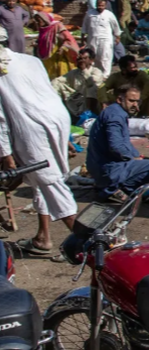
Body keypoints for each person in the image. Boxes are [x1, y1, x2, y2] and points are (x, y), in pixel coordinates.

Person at [0, 26, 78, 257]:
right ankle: (43, 237)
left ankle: (89, 244)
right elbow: (49, 93)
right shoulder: (30, 60)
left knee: (49, 182)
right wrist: (65, 136)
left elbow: (0, 120)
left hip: (31, 128)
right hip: (57, 120)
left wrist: (6, 155)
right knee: (40, 182)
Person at [86, 82, 149, 201]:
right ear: (119, 99)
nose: (135, 104)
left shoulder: (116, 112)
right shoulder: (115, 116)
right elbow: (116, 146)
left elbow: (123, 143)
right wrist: (131, 158)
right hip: (108, 169)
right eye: (131, 101)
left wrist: (138, 156)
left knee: (148, 162)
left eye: (137, 101)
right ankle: (114, 189)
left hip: (102, 167)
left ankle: (110, 186)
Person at [52, 46, 105, 120]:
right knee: (57, 84)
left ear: (91, 60)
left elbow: (91, 83)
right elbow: (59, 80)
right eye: (80, 59)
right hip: (76, 101)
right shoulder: (74, 72)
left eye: (85, 58)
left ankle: (89, 116)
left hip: (91, 103)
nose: (82, 61)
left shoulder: (96, 71)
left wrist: (84, 69)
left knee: (91, 88)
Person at [34, 11, 79, 80]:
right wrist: (37, 45)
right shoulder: (43, 29)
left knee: (59, 74)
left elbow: (68, 39)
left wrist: (63, 47)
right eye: (36, 21)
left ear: (44, 19)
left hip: (56, 55)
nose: (37, 23)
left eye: (39, 21)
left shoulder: (57, 26)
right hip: (46, 58)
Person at [82, 0, 121, 75]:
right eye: (99, 5)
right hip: (92, 38)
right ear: (96, 4)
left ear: (105, 6)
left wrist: (117, 37)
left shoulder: (109, 14)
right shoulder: (89, 13)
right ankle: (93, 73)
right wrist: (83, 38)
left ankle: (105, 75)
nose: (100, 7)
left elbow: (116, 26)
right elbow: (84, 26)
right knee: (92, 56)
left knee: (104, 56)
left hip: (105, 39)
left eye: (102, 6)